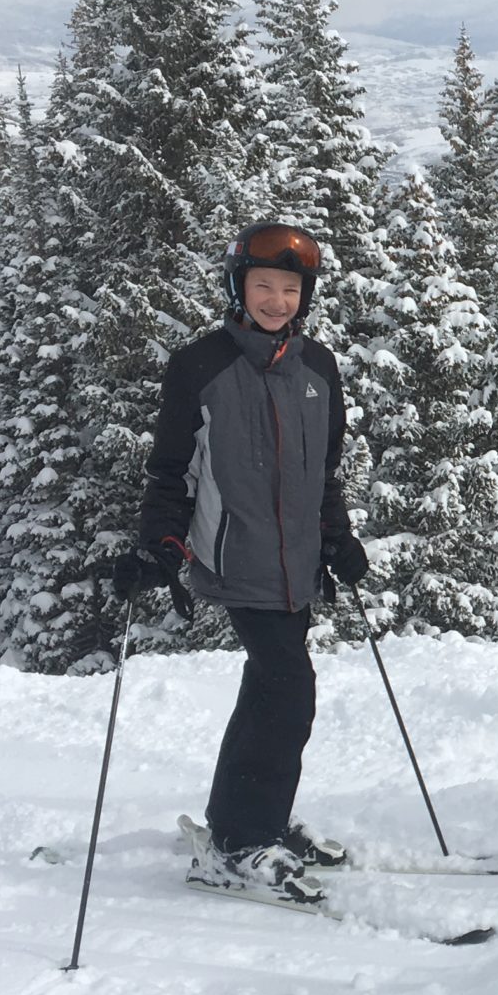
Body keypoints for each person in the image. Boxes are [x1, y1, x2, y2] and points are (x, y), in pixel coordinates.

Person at [112, 221, 370, 909]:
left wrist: (337, 538)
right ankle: (240, 845)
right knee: (289, 690)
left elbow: (325, 473)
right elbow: (170, 472)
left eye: (290, 288)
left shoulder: (318, 368)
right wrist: (160, 545)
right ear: (238, 288)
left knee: (269, 689)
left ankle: (248, 820)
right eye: (264, 286)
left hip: (297, 564)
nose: (277, 300)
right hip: (237, 557)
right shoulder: (201, 366)